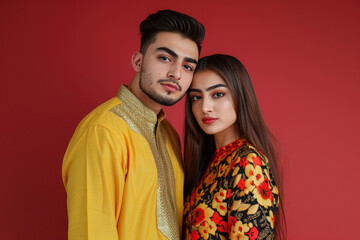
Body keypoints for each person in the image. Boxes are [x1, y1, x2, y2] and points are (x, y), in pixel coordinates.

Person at [62, 10, 205, 240]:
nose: (176, 73)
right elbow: (92, 232)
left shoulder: (169, 135)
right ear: (138, 61)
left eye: (188, 66)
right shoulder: (103, 132)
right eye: (165, 58)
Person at [183, 54, 286, 239]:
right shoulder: (209, 162)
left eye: (218, 94)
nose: (205, 107)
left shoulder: (248, 163)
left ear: (240, 96)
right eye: (196, 97)